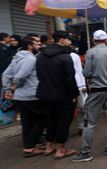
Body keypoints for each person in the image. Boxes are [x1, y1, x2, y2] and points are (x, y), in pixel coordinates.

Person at [72, 30, 107, 162]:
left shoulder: (91, 52)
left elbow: (86, 73)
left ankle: (86, 152)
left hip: (96, 90)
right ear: (106, 39)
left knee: (90, 122)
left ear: (94, 39)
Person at [36, 31, 79, 159]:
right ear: (61, 40)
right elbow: (70, 79)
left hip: (45, 94)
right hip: (62, 95)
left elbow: (39, 75)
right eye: (68, 40)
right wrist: (74, 94)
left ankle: (49, 146)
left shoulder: (41, 56)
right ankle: (60, 149)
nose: (70, 42)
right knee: (63, 121)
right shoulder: (65, 57)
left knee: (50, 120)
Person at [2, 37, 45, 157]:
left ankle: (30, 145)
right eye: (36, 44)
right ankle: (30, 146)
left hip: (19, 97)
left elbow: (6, 74)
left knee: (27, 122)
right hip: (31, 94)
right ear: (30, 46)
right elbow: (21, 76)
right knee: (41, 119)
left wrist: (7, 87)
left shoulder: (16, 58)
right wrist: (13, 87)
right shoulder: (30, 59)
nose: (39, 46)